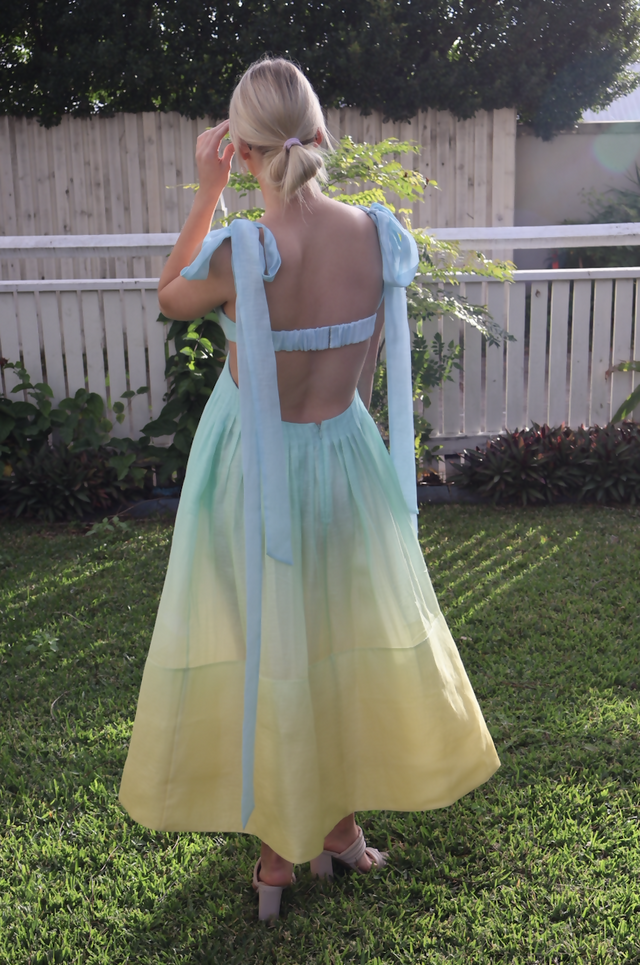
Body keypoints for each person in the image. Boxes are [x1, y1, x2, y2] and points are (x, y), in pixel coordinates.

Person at [119, 57, 499, 921]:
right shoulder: (378, 236)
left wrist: (207, 192)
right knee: (333, 641)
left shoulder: (240, 248)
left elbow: (169, 295)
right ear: (323, 135)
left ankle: (278, 858)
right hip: (345, 462)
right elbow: (363, 374)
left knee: (268, 647)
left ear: (242, 151)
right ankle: (337, 831)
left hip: (251, 470)